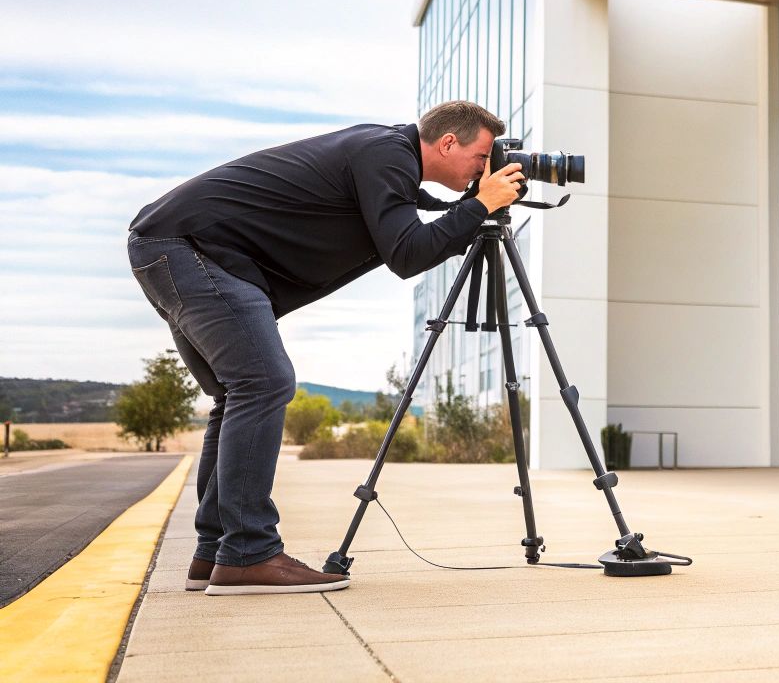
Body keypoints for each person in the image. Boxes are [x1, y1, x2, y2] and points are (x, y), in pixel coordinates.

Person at [126, 100, 526, 595]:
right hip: (189, 249)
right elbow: (406, 254)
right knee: (263, 383)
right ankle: (249, 554)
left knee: (237, 395)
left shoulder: (385, 159)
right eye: (481, 156)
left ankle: (217, 553)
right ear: (448, 142)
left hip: (172, 247)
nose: (483, 169)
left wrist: (473, 210)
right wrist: (479, 205)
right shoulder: (387, 155)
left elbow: (412, 237)